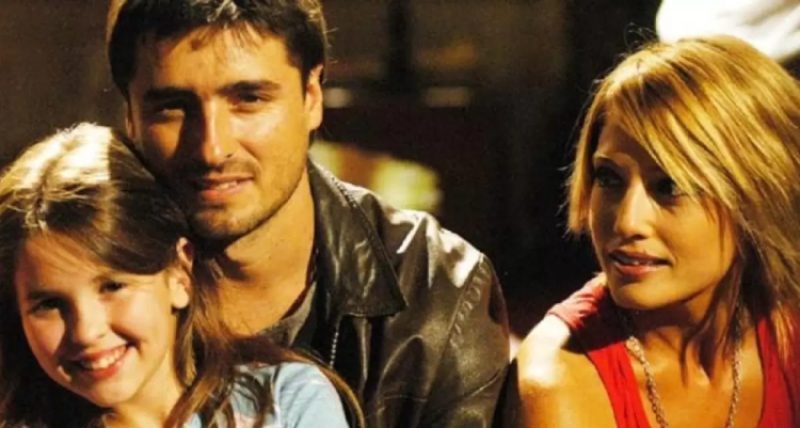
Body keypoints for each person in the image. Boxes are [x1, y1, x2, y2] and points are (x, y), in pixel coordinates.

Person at [105, 1, 510, 426]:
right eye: (172, 106)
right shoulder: (76, 283)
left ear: (312, 97)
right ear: (130, 116)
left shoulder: (435, 290)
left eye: (249, 99)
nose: (212, 148)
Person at [508, 36, 800, 427]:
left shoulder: (788, 329)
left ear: (757, 193)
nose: (627, 222)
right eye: (609, 178)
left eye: (669, 186)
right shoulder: (560, 377)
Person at [0, 123, 360, 427]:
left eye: (113, 286)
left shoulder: (284, 401)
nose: (86, 331)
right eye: (49, 304)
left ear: (179, 272)